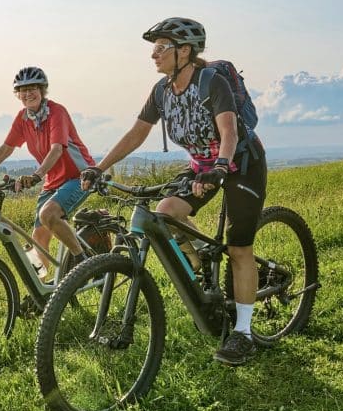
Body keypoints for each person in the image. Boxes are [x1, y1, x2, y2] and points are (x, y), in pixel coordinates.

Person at [81, 18, 267, 366]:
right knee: (166, 212)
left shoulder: (212, 81)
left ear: (184, 51)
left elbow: (228, 131)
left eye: (161, 47)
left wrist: (221, 167)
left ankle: (242, 335)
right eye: (154, 48)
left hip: (240, 162)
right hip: (200, 166)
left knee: (240, 247)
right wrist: (99, 167)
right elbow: (136, 134)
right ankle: (202, 262)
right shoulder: (161, 91)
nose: (154, 55)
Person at [0, 66, 96, 274]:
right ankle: (42, 294)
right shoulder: (23, 119)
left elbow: (57, 149)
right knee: (39, 239)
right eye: (23, 90)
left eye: (33, 88)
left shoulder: (56, 112)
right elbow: (6, 148)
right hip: (53, 180)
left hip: (79, 176)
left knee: (49, 214)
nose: (28, 94)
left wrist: (36, 175)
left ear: (42, 90)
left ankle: (84, 264)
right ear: (18, 95)